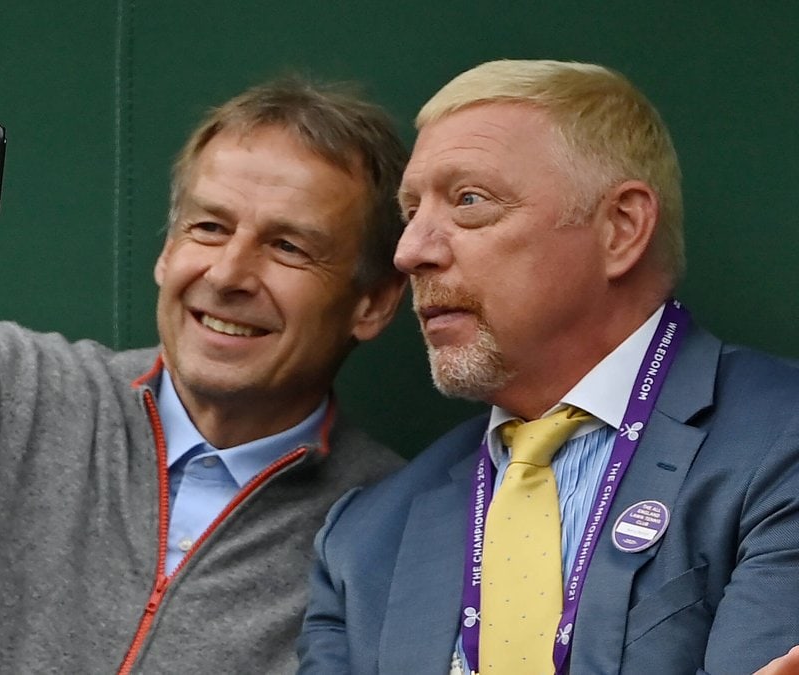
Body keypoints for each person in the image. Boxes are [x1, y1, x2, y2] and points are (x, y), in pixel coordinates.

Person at [0, 77, 409, 673]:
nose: (228, 274)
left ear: (373, 301)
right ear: (167, 252)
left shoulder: (398, 529)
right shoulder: (15, 396)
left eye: (288, 246)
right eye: (207, 227)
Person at [298, 59, 799, 674]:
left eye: (469, 200)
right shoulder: (363, 541)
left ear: (621, 228)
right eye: (410, 213)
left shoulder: (782, 445)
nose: (410, 252)